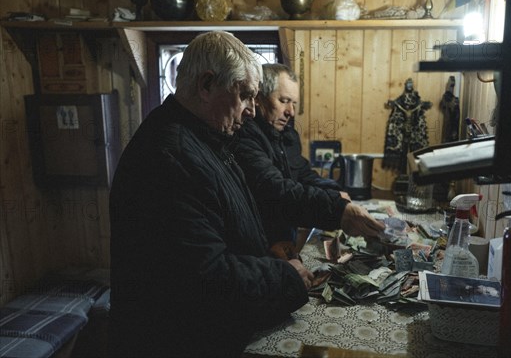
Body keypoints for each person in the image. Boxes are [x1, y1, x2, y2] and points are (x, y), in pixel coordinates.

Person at [109, 31, 314, 358]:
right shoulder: (169, 157)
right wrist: (283, 276)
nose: (251, 110)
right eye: (245, 95)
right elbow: (206, 279)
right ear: (206, 86)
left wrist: (266, 251)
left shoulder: (204, 137)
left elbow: (226, 221)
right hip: (174, 343)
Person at [234, 63, 384, 257]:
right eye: (284, 100)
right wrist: (336, 209)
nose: (291, 112)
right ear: (259, 99)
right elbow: (276, 190)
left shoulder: (287, 135)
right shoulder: (245, 137)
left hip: (287, 237)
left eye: (294, 103)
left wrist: (335, 192)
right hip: (260, 247)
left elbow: (303, 174)